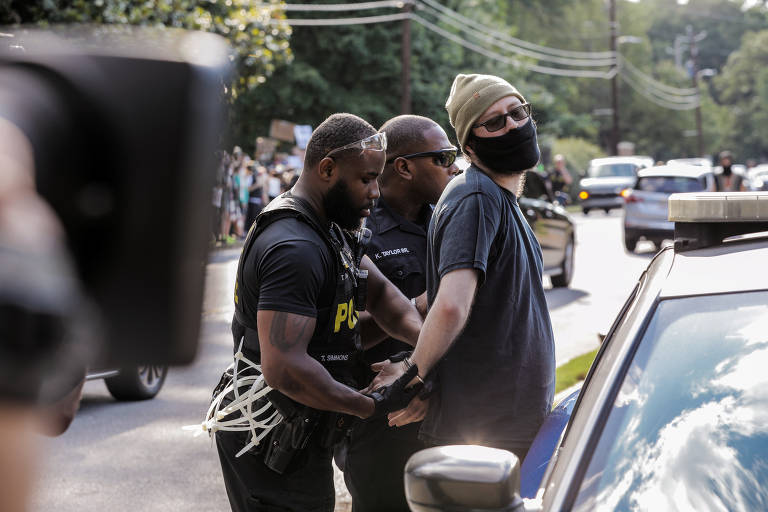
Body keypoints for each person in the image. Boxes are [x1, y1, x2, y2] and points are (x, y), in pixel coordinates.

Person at [212, 113, 425, 512]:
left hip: (304, 423)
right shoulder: (296, 248)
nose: (376, 193)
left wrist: (424, 355)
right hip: (267, 432)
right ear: (327, 169)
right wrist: (370, 404)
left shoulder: (332, 229)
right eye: (366, 179)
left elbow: (385, 299)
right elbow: (285, 368)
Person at [372, 73, 556, 462]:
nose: (513, 125)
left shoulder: (500, 200)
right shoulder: (476, 195)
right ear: (470, 146)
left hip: (511, 428)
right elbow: (451, 305)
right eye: (495, 122)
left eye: (517, 112)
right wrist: (411, 373)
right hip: (485, 435)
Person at [344, 115, 460, 512]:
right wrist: (415, 308)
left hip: (446, 410)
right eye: (443, 157)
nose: (454, 166)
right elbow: (341, 333)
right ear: (405, 167)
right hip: (383, 423)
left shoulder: (448, 221)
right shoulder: (358, 232)